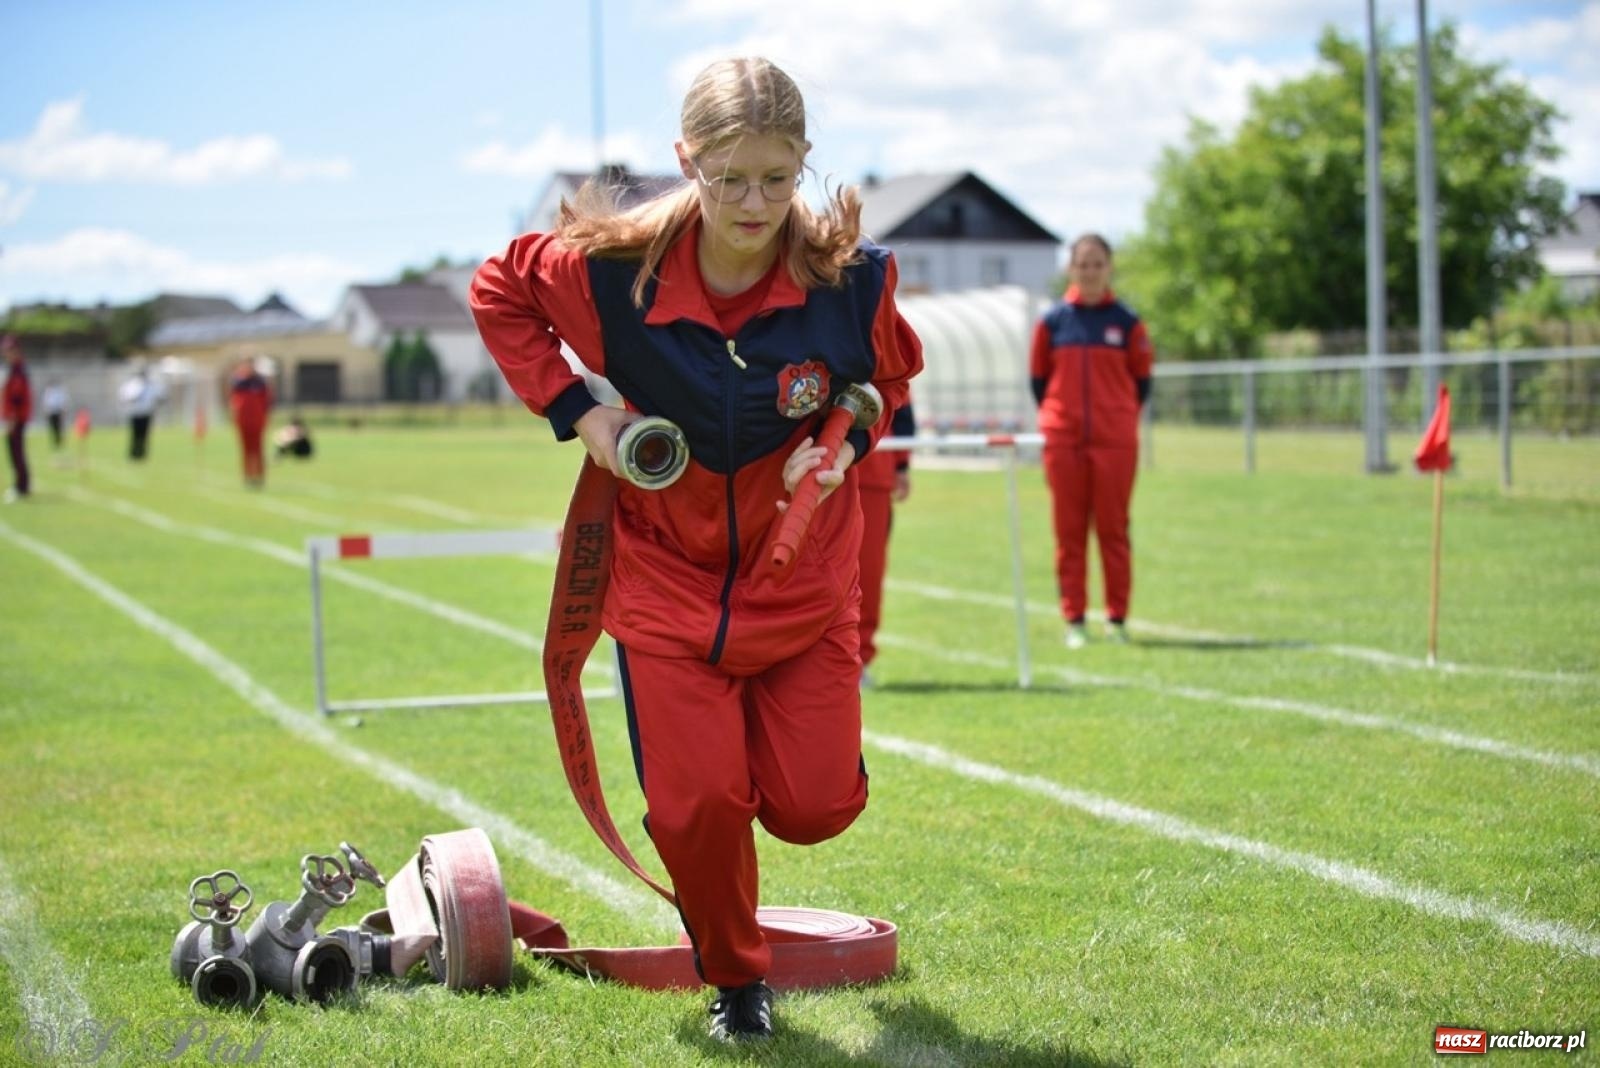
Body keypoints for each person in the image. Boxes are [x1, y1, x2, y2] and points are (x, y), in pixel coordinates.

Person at [470, 56, 922, 1042]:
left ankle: (786, 770)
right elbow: (497, 288)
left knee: (810, 809)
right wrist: (579, 411)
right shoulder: (607, 274)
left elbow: (889, 375)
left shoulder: (852, 281)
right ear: (686, 160)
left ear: (803, 161)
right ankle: (736, 983)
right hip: (663, 586)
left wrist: (843, 441)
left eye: (776, 176)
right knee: (695, 806)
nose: (753, 202)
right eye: (727, 177)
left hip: (801, 586)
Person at [1029, 233, 1154, 648]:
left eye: (1097, 263)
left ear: (1109, 267)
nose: (1090, 270)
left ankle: (1117, 619)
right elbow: (1039, 381)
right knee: (1069, 533)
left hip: (1114, 444)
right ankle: (1075, 621)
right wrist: (1061, 421)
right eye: (1082, 263)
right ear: (1071, 268)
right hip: (1064, 442)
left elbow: (1142, 383)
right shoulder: (1053, 323)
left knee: (1114, 531)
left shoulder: (1128, 323)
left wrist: (1113, 419)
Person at [857, 402, 916, 687]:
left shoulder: (886, 356)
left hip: (872, 472)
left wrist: (902, 464)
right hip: (812, 468)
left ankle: (858, 659)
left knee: (867, 573)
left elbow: (900, 405)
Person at [228, 357, 273, 486]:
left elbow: (267, 402)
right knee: (246, 450)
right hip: (243, 422)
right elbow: (234, 402)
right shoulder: (238, 382)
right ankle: (247, 475)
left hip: (257, 421)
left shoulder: (260, 382)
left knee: (258, 449)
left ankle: (259, 475)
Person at [2, 334, 31, 502]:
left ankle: (21, 487)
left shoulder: (18, 370)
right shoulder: (14, 369)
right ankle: (22, 485)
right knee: (16, 452)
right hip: (14, 417)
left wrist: (11, 419)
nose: (6, 353)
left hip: (16, 418)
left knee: (17, 453)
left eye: (9, 350)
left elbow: (16, 396)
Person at [118, 360, 163, 460]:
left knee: (144, 435)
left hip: (146, 413)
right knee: (135, 434)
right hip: (135, 413)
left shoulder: (151, 384)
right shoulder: (133, 384)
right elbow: (125, 396)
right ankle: (134, 453)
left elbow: (159, 396)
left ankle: (142, 454)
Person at [41, 378, 68, 451]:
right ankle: (54, 442)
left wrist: (63, 411)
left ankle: (58, 442)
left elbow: (62, 402)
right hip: (51, 412)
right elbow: (46, 402)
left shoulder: (59, 391)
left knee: (58, 428)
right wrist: (46, 411)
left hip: (58, 411)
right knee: (52, 427)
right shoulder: (49, 391)